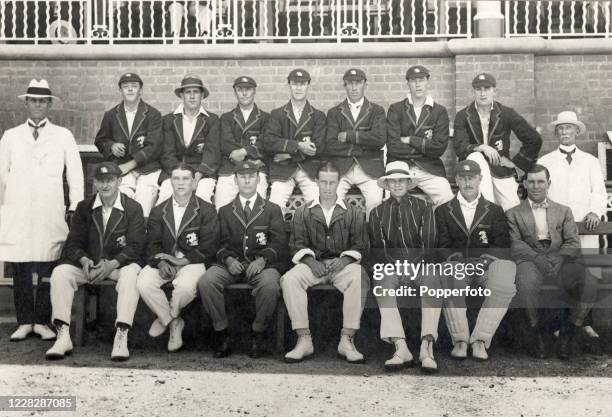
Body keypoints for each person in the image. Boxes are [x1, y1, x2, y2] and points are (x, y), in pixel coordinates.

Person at [0, 79, 84, 342]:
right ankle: (24, 321)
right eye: (33, 100)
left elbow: (76, 175)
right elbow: (1, 175)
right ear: (26, 103)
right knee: (21, 266)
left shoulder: (63, 136)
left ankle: (43, 321)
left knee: (50, 265)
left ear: (49, 105)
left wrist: (75, 206)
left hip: (49, 211)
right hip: (19, 210)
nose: (37, 105)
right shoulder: (11, 136)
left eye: (42, 101)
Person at [46, 162, 144, 361]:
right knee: (61, 273)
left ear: (119, 181)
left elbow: (135, 246)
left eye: (110, 180)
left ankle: (121, 335)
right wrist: (83, 260)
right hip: (89, 267)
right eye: (100, 180)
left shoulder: (133, 207)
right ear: (94, 182)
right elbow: (73, 243)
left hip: (117, 267)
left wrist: (112, 263)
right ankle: (63, 335)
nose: (105, 185)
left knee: (132, 273)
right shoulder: (84, 207)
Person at [506, 165, 598, 360]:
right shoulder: (513, 213)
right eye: (531, 181)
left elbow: (573, 241)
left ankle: (569, 331)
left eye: (540, 182)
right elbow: (516, 244)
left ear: (548, 183)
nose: (536, 186)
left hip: (560, 257)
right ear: (524, 183)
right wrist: (537, 258)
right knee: (526, 284)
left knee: (589, 281)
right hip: (530, 259)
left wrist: (561, 257)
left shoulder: (563, 210)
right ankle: (536, 332)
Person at [281, 162, 369, 363]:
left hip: (341, 267)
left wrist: (344, 260)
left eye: (332, 183)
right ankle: (304, 339)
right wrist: (311, 262)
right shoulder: (303, 212)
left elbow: (360, 245)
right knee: (290, 279)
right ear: (316, 182)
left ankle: (347, 340)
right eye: (324, 182)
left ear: (338, 183)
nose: (328, 187)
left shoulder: (353, 212)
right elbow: (296, 244)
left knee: (359, 276)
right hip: (314, 266)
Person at [199, 161, 287, 358]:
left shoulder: (272, 209)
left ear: (258, 179)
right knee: (207, 281)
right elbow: (217, 244)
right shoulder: (225, 210)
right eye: (242, 176)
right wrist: (228, 259)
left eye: (251, 176)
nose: (247, 180)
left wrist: (263, 260)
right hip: (232, 265)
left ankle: (258, 333)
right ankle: (222, 333)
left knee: (270, 285)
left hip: (261, 266)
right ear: (236, 180)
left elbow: (279, 242)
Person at [435, 160, 516, 361]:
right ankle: (460, 341)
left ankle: (480, 340)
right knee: (449, 275)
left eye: (472, 178)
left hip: (485, 268)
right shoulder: (444, 211)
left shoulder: (495, 210)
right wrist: (458, 261)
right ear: (456, 181)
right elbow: (441, 246)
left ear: (480, 179)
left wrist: (485, 261)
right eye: (463, 178)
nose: (467, 183)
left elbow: (502, 244)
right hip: (459, 267)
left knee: (505, 272)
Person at [369, 161, 444, 373]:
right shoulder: (377, 213)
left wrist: (414, 264)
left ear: (408, 183)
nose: (397, 184)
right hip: (392, 268)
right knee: (382, 280)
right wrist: (396, 266)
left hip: (420, 266)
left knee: (432, 277)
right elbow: (379, 249)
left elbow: (429, 242)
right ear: (387, 185)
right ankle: (400, 347)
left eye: (401, 180)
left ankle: (426, 347)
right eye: (392, 181)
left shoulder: (424, 207)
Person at [538, 110, 607, 340]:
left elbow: (598, 191)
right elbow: (541, 195)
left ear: (577, 131)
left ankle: (582, 321)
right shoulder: (545, 162)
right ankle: (560, 325)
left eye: (569, 128)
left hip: (586, 230)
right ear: (557, 132)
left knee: (590, 273)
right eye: (561, 128)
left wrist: (595, 212)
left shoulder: (591, 161)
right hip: (559, 232)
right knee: (561, 274)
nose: (565, 132)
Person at [137, 163, 219, 353]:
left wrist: (182, 261)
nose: (180, 183)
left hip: (191, 262)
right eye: (176, 178)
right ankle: (173, 322)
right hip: (165, 260)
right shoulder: (159, 210)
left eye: (185, 178)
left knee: (185, 288)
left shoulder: (206, 209)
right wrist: (162, 262)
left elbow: (209, 246)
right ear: (170, 182)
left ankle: (168, 316)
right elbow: (152, 245)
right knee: (143, 283)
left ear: (193, 182)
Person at [454, 72, 542, 211]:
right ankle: (486, 210)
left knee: (512, 209)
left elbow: (534, 139)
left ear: (495, 91)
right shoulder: (463, 116)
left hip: (500, 167)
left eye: (487, 89)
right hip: (473, 171)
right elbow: (459, 147)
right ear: (473, 92)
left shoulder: (506, 113)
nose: (483, 93)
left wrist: (515, 162)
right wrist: (482, 147)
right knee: (475, 157)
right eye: (478, 89)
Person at [94, 72, 163, 219]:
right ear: (120, 91)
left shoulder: (153, 114)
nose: (130, 89)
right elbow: (100, 141)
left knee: (145, 200)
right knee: (122, 202)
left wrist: (131, 164)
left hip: (148, 169)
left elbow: (154, 147)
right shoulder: (111, 115)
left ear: (140, 90)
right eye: (126, 87)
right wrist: (111, 146)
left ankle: (142, 236)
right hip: (120, 168)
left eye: (134, 86)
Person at [386, 65, 453, 207]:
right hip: (400, 166)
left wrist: (410, 140)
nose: (417, 84)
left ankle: (436, 229)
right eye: (413, 80)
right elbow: (393, 146)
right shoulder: (396, 109)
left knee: (447, 199)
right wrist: (424, 148)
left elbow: (439, 148)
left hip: (429, 167)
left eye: (421, 79)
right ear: (408, 83)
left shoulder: (439, 111)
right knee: (390, 201)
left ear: (427, 81)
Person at [263, 69, 326, 213]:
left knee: (317, 204)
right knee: (275, 205)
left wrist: (289, 154)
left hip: (308, 169)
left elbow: (319, 147)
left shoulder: (318, 116)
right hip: (283, 169)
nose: (298, 87)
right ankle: (278, 236)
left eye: (302, 84)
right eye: (294, 83)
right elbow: (269, 142)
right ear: (289, 85)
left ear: (308, 85)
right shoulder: (277, 114)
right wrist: (298, 145)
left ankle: (314, 236)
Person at [325, 68, 386, 216]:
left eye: (358, 83)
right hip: (341, 169)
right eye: (350, 83)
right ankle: (336, 238)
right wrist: (363, 146)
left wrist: (349, 136)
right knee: (331, 201)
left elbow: (379, 140)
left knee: (375, 201)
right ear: (344, 86)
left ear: (365, 84)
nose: (354, 87)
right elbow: (330, 145)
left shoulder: (377, 111)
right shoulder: (334, 112)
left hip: (369, 168)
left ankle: (372, 239)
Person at [159, 75, 220, 205]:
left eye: (196, 92)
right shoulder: (169, 120)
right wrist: (179, 176)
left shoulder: (212, 120)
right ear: (181, 96)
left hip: (202, 173)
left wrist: (197, 177)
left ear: (202, 95)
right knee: (165, 194)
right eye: (188, 92)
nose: (192, 96)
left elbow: (212, 153)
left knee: (203, 195)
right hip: (174, 171)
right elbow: (166, 152)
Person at [215, 76, 269, 210]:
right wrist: (251, 153)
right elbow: (226, 144)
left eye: (248, 89)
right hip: (230, 169)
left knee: (257, 208)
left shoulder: (265, 118)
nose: (244, 93)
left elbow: (266, 144)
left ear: (254, 91)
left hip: (256, 169)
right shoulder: (226, 118)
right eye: (240, 90)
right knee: (221, 207)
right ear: (235, 92)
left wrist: (244, 152)